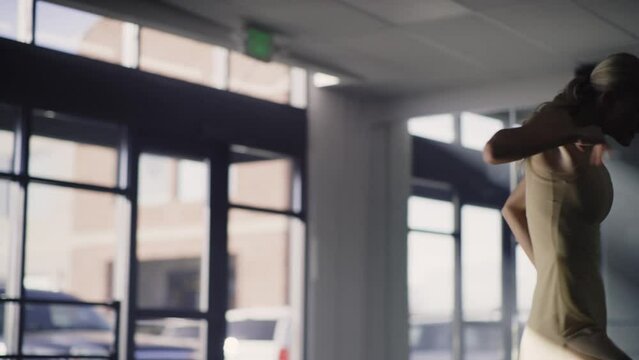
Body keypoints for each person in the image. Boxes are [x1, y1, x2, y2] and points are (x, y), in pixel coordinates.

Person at [484, 53, 639, 360]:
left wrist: (550, 272)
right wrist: (574, 132)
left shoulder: (573, 152)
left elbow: (513, 208)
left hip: (581, 324)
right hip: (562, 332)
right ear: (610, 100)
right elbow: (494, 150)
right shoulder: (562, 127)